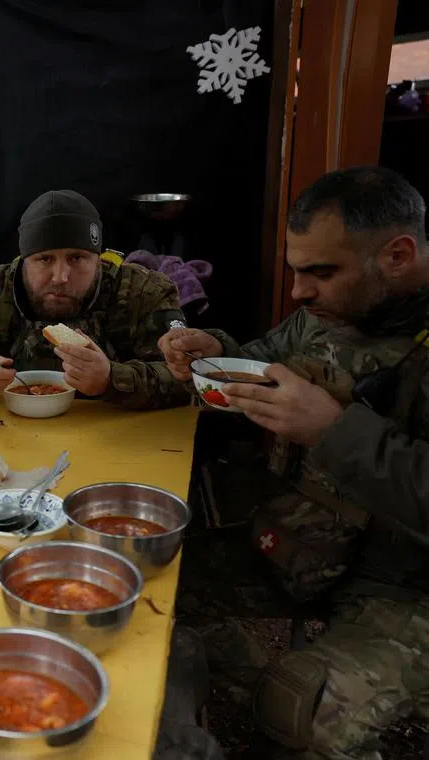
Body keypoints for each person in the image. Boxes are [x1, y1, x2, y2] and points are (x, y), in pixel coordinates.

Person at [157, 166, 429, 759]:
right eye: (297, 271)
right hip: (306, 543)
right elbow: (261, 361)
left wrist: (332, 430)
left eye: (320, 273)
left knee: (298, 709)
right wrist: (217, 354)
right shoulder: (328, 314)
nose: (300, 291)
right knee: (149, 596)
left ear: (399, 254)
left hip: (403, 587)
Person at [0, 189, 191, 410]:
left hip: (123, 444)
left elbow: (187, 379)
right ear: (24, 259)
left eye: (77, 258)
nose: (61, 276)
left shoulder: (144, 291)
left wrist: (112, 378)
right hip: (6, 438)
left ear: (98, 258)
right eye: (44, 259)